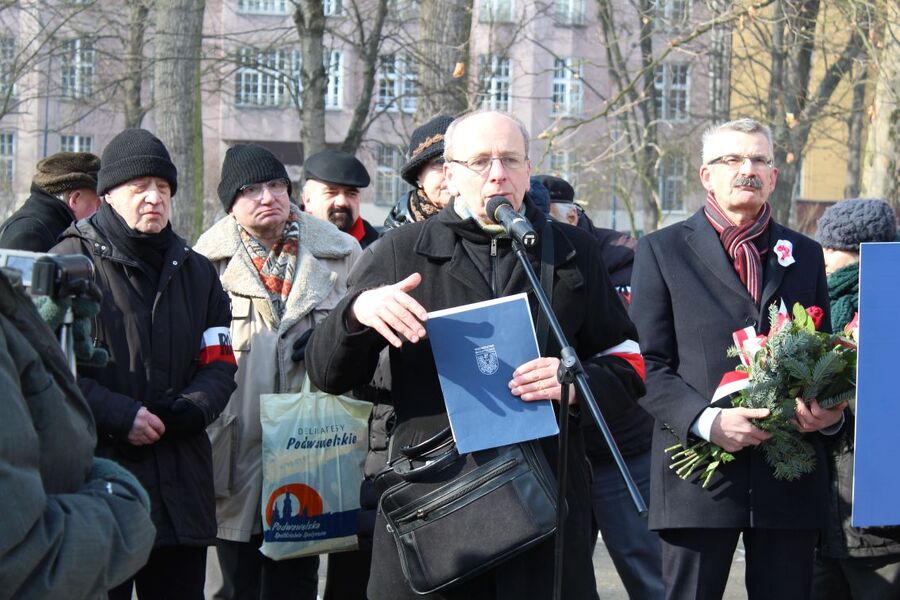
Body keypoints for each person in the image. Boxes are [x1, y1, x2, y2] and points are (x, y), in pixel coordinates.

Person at [305, 109, 646, 600]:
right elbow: (326, 371)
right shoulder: (401, 251)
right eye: (480, 161)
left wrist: (577, 384)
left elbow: (628, 358)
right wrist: (357, 313)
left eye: (510, 159)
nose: (497, 174)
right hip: (437, 500)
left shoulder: (571, 251)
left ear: (529, 169)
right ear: (450, 172)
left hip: (545, 499)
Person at [630, 117, 846, 600]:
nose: (746, 169)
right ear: (706, 174)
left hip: (788, 477)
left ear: (772, 176)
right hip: (698, 478)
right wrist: (707, 423)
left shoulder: (806, 254)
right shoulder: (661, 251)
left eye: (758, 160)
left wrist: (829, 413)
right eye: (732, 159)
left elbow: (826, 356)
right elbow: (647, 364)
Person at [51, 128, 238, 600]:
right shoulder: (67, 264)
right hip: (96, 486)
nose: (154, 198)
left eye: (163, 187)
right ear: (109, 195)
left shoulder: (199, 273)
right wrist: (120, 415)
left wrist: (192, 408)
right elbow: (49, 370)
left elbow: (219, 361)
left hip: (181, 489)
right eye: (139, 188)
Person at [194, 144, 361, 600]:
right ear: (231, 203)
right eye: (251, 190)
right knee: (229, 582)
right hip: (235, 445)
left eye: (276, 185)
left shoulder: (342, 253)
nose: (267, 196)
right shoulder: (204, 264)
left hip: (310, 445)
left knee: (297, 581)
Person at [326, 114, 455, 600]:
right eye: (436, 165)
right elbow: (347, 364)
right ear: (417, 178)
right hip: (395, 441)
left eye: (455, 163)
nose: (448, 175)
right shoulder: (387, 250)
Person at [538, 173, 664, 599]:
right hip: (556, 452)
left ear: (572, 214)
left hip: (624, 445)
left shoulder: (626, 254)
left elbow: (640, 343)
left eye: (548, 218)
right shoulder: (525, 253)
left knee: (651, 574)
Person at [0, 266, 156, 599]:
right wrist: (125, 505)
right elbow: (23, 562)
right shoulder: (70, 252)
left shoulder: (191, 267)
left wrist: (34, 340)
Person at [812, 198, 900, 600]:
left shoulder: (887, 304)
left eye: (835, 249)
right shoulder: (816, 306)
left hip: (878, 518)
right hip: (825, 511)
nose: (825, 257)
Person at [0, 151, 101, 251]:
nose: (99, 211)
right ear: (75, 199)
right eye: (98, 204)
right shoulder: (30, 234)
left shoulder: (45, 226)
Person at [385, 114, 455, 228]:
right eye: (439, 162)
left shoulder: (488, 222)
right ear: (418, 176)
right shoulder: (396, 235)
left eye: (460, 162)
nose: (451, 173)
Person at [302, 149, 379, 248]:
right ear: (307, 200)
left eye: (351, 194)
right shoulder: (284, 241)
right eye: (331, 192)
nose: (342, 202)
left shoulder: (378, 248)